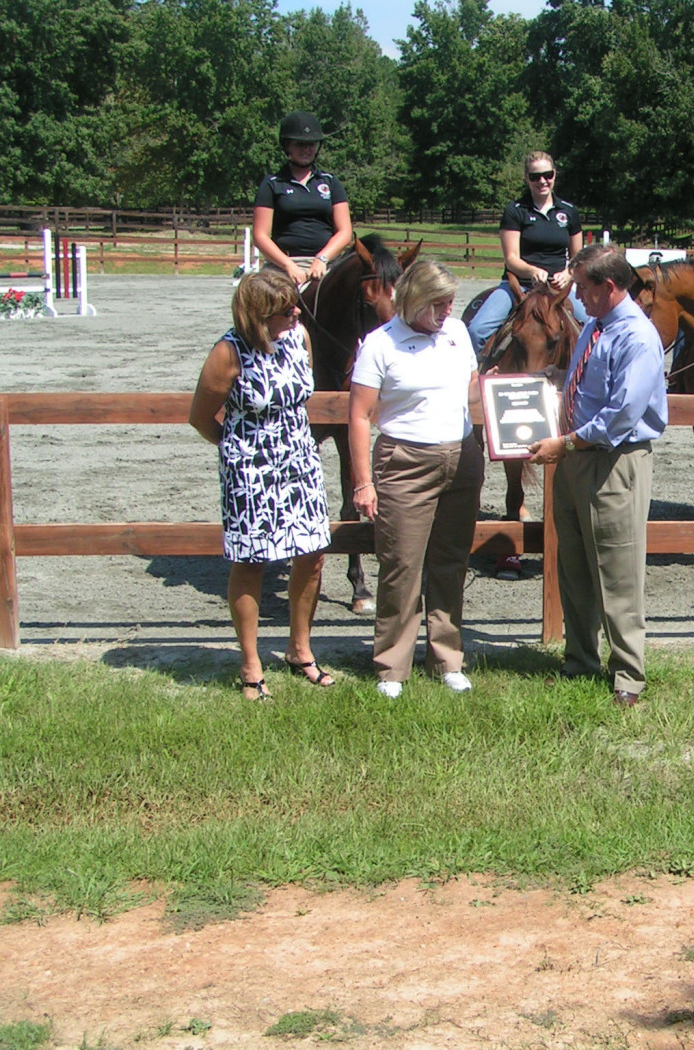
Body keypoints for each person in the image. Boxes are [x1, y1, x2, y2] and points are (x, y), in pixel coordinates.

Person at [528, 245, 668, 707]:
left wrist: (564, 444)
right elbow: (586, 384)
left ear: (609, 287)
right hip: (573, 458)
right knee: (575, 566)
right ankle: (580, 660)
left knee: (617, 571)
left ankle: (628, 675)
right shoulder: (594, 324)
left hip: (613, 462)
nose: (576, 296)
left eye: (583, 288)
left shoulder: (638, 337)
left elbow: (620, 415)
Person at [190, 268, 336, 699]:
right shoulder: (228, 352)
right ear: (256, 315)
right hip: (250, 469)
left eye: (294, 304)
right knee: (251, 561)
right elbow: (200, 417)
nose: (296, 312)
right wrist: (236, 449)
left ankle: (299, 649)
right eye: (284, 308)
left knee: (312, 555)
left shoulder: (299, 338)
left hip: (300, 462)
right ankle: (251, 663)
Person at [348, 259, 484, 699]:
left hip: (461, 459)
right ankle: (392, 666)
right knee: (401, 567)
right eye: (439, 304)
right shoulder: (379, 344)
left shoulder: (457, 333)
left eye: (450, 303)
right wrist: (363, 482)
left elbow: (469, 389)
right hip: (404, 461)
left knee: (451, 562)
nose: (447, 311)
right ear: (414, 299)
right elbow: (360, 415)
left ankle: (447, 657)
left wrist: (507, 393)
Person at [467, 150, 588, 357]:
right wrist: (532, 270)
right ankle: (479, 379)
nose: (542, 181)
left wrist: (568, 273)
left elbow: (578, 258)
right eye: (535, 177)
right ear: (526, 178)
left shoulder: (569, 211)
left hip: (560, 288)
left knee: (598, 327)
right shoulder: (515, 210)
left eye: (547, 175)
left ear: (554, 175)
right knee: (477, 330)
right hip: (519, 285)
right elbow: (511, 258)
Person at [252, 110, 354, 287]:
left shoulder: (330, 182)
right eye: (300, 144)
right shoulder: (272, 184)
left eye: (311, 144)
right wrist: (288, 265)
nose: (307, 150)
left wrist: (322, 258)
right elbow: (260, 235)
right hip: (283, 266)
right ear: (287, 146)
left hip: (326, 263)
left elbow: (345, 231)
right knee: (260, 296)